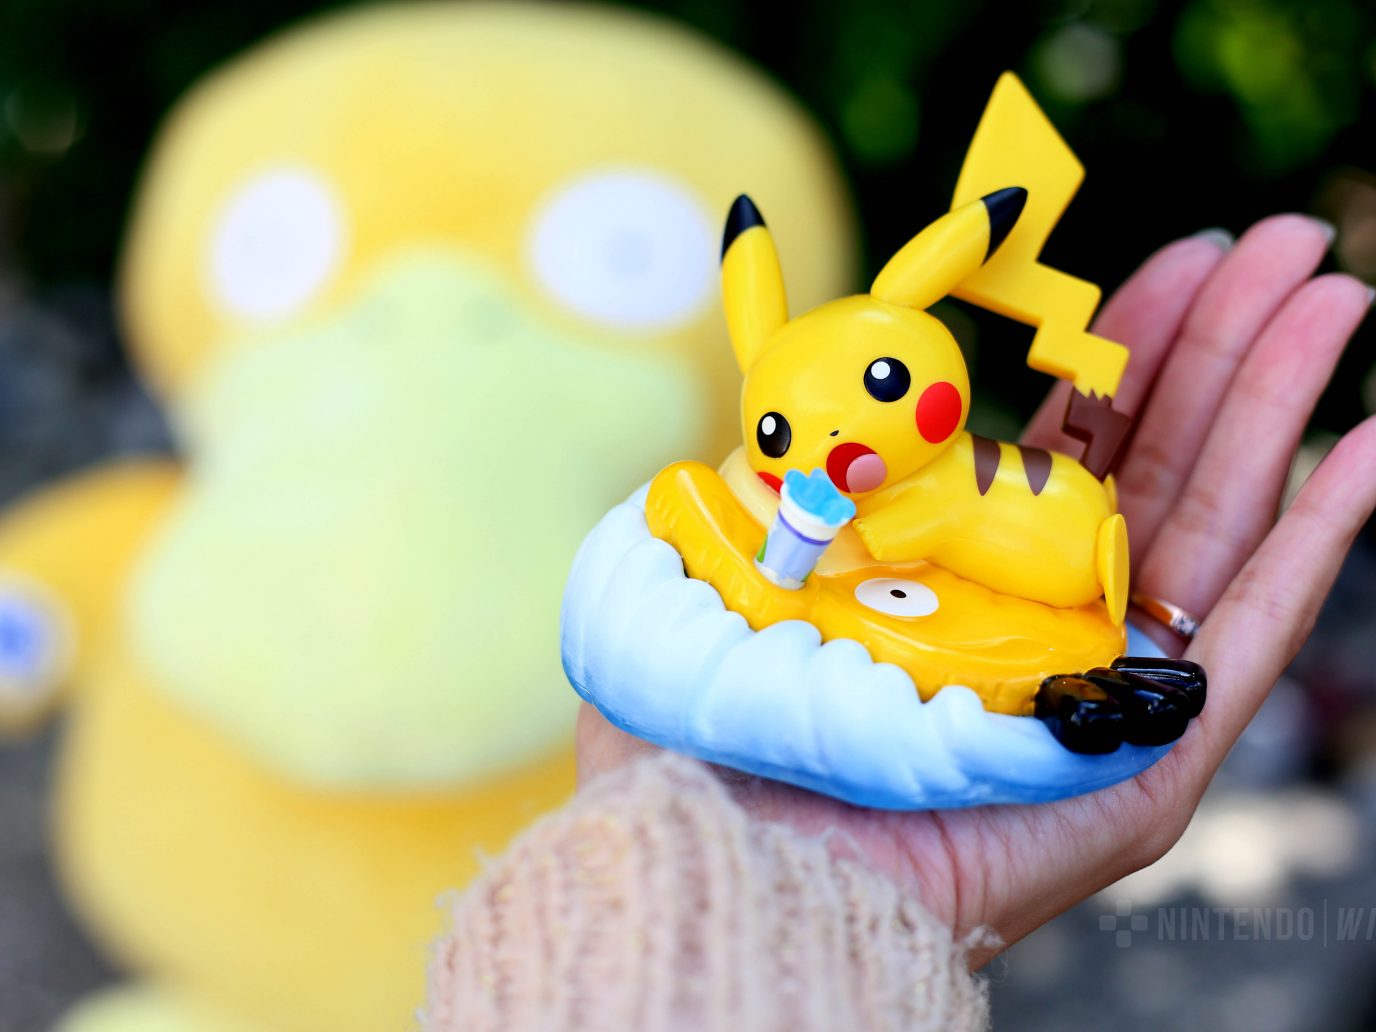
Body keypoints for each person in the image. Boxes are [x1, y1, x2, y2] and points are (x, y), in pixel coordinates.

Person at [424, 215, 1376, 1031]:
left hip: (1065, 575)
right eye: (782, 435)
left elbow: (918, 537)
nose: (832, 446)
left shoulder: (918, 504)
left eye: (880, 384)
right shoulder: (773, 553)